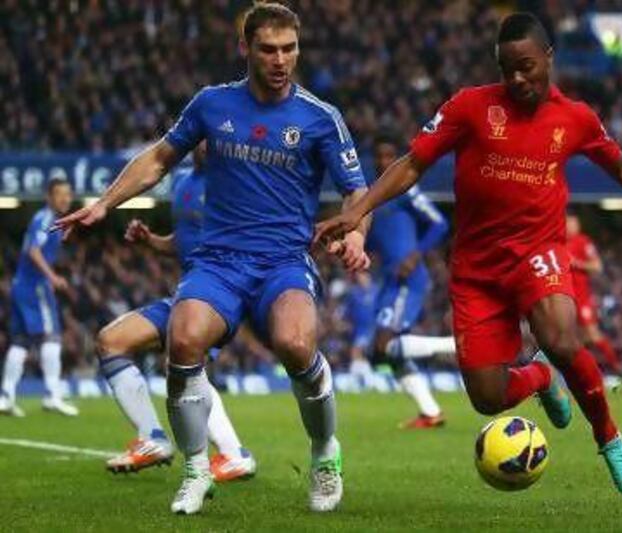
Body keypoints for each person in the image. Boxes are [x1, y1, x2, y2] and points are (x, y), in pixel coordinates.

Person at [315, 12, 622, 498]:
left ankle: (609, 437)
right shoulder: (470, 107)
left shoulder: (574, 118)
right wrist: (358, 210)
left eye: (526, 66)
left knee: (561, 336)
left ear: (549, 58)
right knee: (488, 399)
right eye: (507, 68)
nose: (517, 78)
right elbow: (412, 164)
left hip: (538, 252)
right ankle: (537, 376)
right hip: (476, 271)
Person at [55, 3, 369, 515]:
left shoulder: (320, 118)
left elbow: (358, 192)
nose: (280, 60)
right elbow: (159, 157)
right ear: (244, 48)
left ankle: (324, 452)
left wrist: (356, 235)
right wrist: (104, 203)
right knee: (182, 340)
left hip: (282, 261)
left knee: (295, 342)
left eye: (289, 48)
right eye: (268, 49)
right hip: (219, 261)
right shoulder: (211, 104)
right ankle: (198, 468)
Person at [97, 141, 256, 482]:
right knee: (111, 341)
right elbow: (182, 241)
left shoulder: (233, 184)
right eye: (199, 138)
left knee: (182, 366)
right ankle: (154, 438)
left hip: (220, 294)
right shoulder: (183, 183)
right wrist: (151, 240)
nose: (204, 145)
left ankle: (233, 454)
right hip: (186, 294)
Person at [367, 134, 455, 429]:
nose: (383, 161)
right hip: (390, 280)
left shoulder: (406, 190)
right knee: (384, 352)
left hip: (409, 277)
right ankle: (430, 412)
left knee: (385, 343)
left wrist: (415, 255)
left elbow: (439, 223)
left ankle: (456, 345)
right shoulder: (372, 195)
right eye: (379, 156)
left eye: (389, 155)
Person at [0, 178, 78, 418]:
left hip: (21, 285)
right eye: (60, 194)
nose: (65, 198)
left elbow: (41, 247)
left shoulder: (49, 220)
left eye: (68, 194)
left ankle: (6, 396)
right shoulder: (45, 218)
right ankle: (53, 395)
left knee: (21, 342)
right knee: (51, 336)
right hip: (35, 287)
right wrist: (52, 277)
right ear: (49, 197)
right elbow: (33, 250)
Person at [565, 213, 622, 376]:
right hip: (564, 297)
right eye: (568, 223)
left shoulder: (583, 242)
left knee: (591, 334)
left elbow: (597, 266)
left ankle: (616, 366)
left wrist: (576, 263)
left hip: (581, 297)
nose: (571, 226)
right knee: (572, 338)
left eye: (574, 223)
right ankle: (579, 372)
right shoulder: (557, 242)